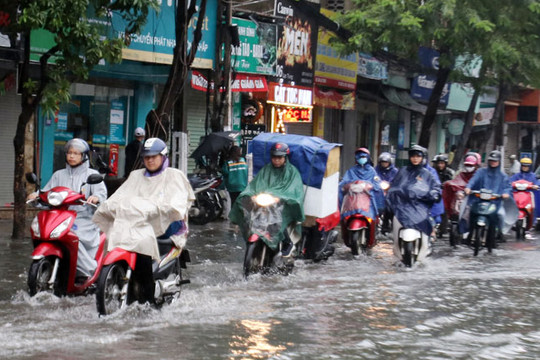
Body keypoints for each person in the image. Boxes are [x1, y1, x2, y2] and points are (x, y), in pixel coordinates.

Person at [93, 138, 195, 304]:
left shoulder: (174, 176)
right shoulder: (135, 176)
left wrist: (156, 209)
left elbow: (176, 204)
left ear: (163, 156)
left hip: (167, 225)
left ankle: (148, 296)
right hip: (138, 221)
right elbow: (121, 196)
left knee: (143, 242)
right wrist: (106, 207)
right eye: (146, 157)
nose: (150, 160)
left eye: (154, 156)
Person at [27, 138, 107, 280]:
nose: (71, 156)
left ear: (83, 156)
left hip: (83, 217)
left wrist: (96, 198)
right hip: (59, 215)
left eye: (76, 153)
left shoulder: (91, 175)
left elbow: (101, 194)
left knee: (75, 236)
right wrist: (36, 195)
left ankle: (85, 271)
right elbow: (47, 192)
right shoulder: (59, 174)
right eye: (69, 153)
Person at [229, 142, 305, 258]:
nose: (276, 160)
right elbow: (255, 185)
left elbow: (294, 191)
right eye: (274, 157)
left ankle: (287, 242)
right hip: (265, 202)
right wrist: (251, 195)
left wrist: (280, 197)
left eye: (279, 157)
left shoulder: (292, 172)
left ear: (285, 157)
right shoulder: (266, 170)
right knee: (248, 206)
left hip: (283, 204)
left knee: (280, 215)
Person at [386, 145, 442, 255]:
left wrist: (434, 194)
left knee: (429, 223)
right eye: (413, 156)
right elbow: (394, 185)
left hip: (420, 207)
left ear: (422, 158)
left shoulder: (427, 174)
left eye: (418, 156)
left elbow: (435, 187)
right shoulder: (402, 171)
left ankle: (426, 244)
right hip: (403, 207)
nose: (415, 159)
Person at [464, 150, 513, 242]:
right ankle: (469, 233)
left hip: (496, 203)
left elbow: (508, 187)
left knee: (500, 215)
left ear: (499, 162)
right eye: (491, 160)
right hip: (479, 201)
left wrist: (506, 193)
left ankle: (499, 233)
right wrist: (468, 188)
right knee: (470, 212)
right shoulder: (481, 172)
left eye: (495, 161)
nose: (493, 163)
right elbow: (473, 180)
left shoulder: (503, 176)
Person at [339, 148, 384, 244]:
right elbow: (344, 183)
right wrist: (344, 186)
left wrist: (371, 186)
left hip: (368, 199)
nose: (361, 158)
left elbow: (377, 184)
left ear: (368, 158)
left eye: (363, 156)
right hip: (352, 199)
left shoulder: (372, 171)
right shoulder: (351, 171)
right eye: (359, 157)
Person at [375, 152, 398, 234]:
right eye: (382, 162)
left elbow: (397, 181)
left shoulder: (394, 171)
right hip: (378, 192)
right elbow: (374, 178)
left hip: (390, 193)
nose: (384, 164)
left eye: (386, 162)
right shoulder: (376, 170)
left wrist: (391, 185)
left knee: (390, 208)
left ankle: (387, 225)